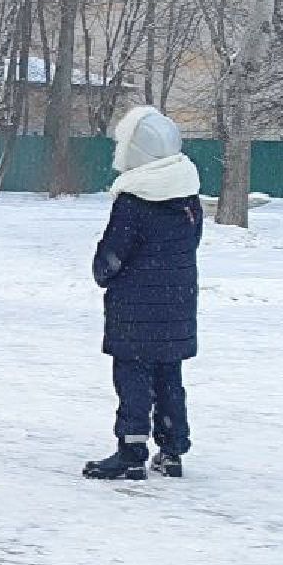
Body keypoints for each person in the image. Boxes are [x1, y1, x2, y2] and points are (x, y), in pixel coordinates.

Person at [83, 104, 203, 481]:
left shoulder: (133, 201)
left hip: (134, 309)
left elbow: (113, 255)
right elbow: (190, 243)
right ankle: (172, 450)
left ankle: (132, 451)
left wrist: (101, 271)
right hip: (177, 304)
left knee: (133, 377)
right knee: (169, 376)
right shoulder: (188, 198)